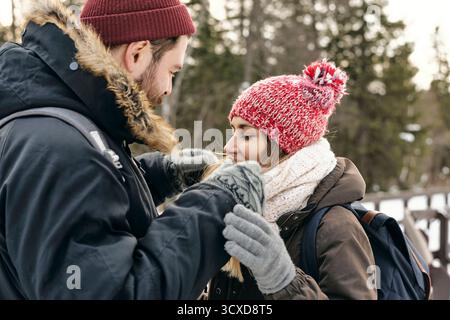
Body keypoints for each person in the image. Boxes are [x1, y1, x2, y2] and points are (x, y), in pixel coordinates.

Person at [0, 0, 264, 299]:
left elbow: (80, 214)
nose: (168, 89)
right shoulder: (60, 148)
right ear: (137, 53)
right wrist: (216, 206)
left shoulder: (53, 124)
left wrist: (159, 176)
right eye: (172, 72)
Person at [208, 60, 378, 300]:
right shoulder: (240, 210)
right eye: (233, 131)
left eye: (246, 135)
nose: (228, 147)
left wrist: (283, 279)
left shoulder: (336, 227)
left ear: (285, 146)